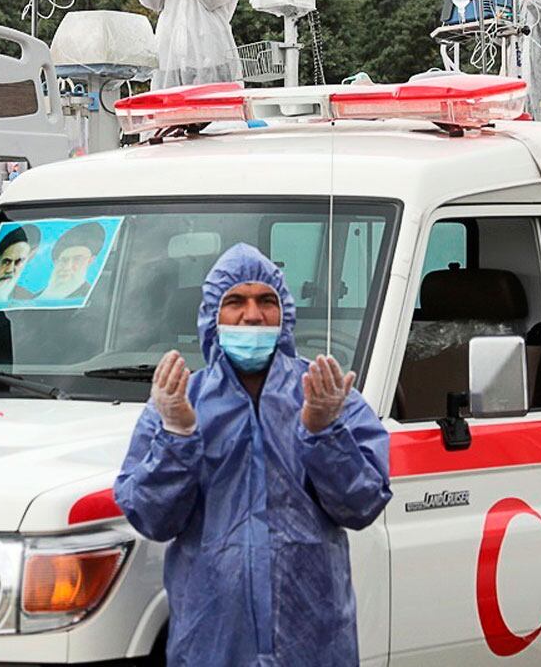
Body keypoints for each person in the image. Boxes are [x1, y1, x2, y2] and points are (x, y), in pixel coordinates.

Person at [114, 244, 391, 667]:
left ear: (285, 314)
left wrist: (324, 431)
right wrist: (178, 435)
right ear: (212, 315)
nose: (252, 315)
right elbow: (152, 518)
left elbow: (363, 505)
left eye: (266, 301)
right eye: (235, 302)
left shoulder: (328, 395)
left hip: (312, 642)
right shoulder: (176, 403)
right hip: (213, 642)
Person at [41, 221, 106, 300]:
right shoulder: (37, 297)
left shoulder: (94, 299)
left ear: (90, 261)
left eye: (77, 259)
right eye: (64, 260)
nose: (67, 267)